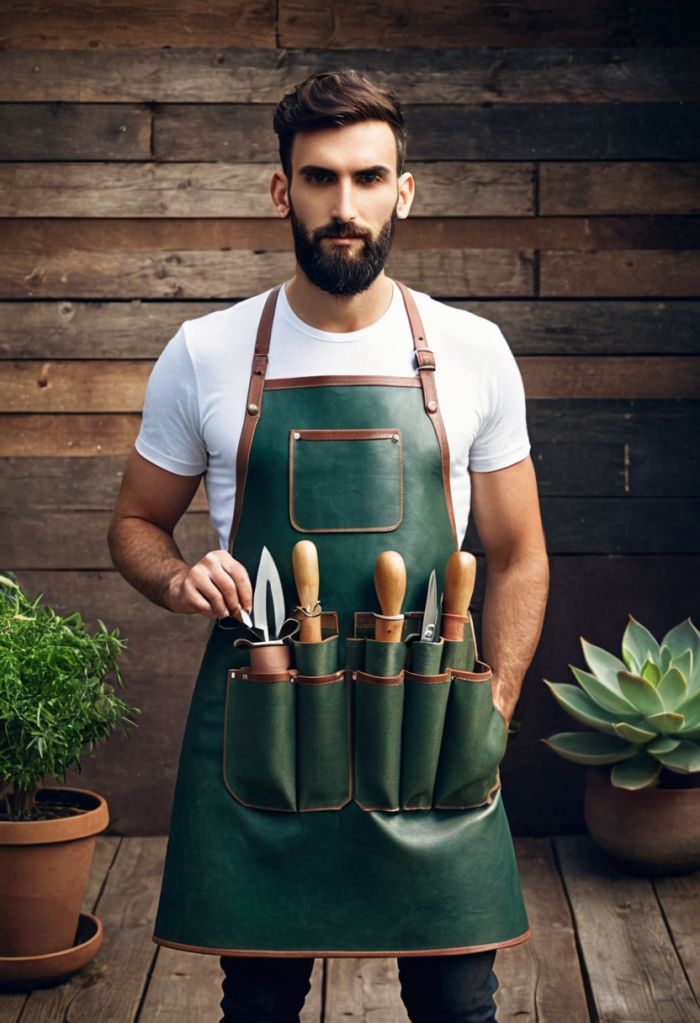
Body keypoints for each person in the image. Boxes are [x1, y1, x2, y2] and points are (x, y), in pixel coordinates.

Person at [108, 70, 549, 1023]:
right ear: (283, 191)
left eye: (366, 177)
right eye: (319, 178)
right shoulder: (207, 352)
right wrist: (180, 573)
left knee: (460, 1003)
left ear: (403, 189)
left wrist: (495, 705)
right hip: (270, 736)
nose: (343, 206)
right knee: (259, 1005)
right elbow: (135, 524)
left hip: (430, 735)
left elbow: (518, 554)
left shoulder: (473, 352)